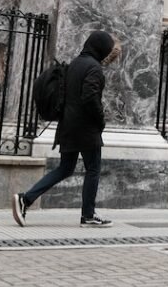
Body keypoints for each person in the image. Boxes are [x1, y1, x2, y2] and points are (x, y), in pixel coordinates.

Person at [13, 30, 121, 228]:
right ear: (101, 49)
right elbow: (90, 97)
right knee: (93, 169)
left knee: (65, 168)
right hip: (85, 128)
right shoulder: (94, 68)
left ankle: (25, 199)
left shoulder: (75, 64)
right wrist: (100, 120)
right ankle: (88, 215)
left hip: (68, 125)